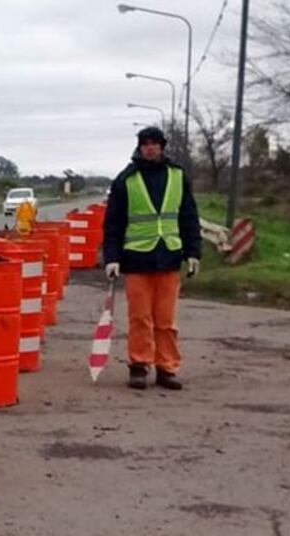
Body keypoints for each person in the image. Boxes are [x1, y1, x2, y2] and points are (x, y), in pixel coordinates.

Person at [103, 127, 202, 390]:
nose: (150, 147)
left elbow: (188, 217)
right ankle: (139, 366)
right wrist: (111, 258)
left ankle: (166, 368)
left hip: (169, 257)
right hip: (137, 260)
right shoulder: (126, 180)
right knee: (140, 318)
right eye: (145, 143)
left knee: (166, 320)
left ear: (162, 146)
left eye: (155, 143)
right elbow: (113, 223)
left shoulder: (178, 176)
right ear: (139, 147)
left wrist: (193, 252)